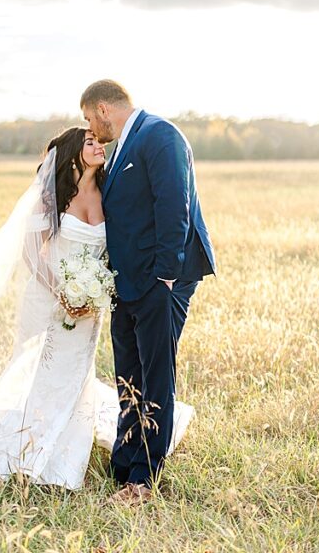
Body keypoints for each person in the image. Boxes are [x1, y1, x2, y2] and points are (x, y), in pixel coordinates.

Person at [0, 128, 193, 489]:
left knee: (78, 373)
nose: (100, 146)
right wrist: (63, 292)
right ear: (74, 153)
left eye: (99, 141)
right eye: (90, 142)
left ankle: (65, 451)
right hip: (50, 298)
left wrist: (96, 290)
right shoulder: (53, 197)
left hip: (89, 305)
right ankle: (27, 447)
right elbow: (31, 252)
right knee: (42, 373)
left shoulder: (108, 192)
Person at [81, 80, 216, 505]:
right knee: (128, 372)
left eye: (88, 118)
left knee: (155, 373)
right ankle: (125, 460)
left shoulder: (160, 135)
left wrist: (166, 275)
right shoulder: (122, 144)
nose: (90, 126)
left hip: (160, 280)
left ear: (103, 108)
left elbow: (174, 205)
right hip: (127, 281)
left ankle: (145, 478)